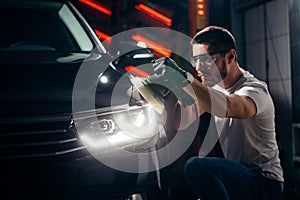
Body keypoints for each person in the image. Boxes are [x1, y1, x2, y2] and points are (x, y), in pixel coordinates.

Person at [146, 26, 284, 200]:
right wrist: (168, 93)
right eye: (196, 60)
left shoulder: (254, 90)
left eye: (206, 60)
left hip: (264, 184)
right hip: (237, 179)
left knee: (196, 166)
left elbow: (229, 106)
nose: (198, 68)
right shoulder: (214, 90)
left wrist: (184, 80)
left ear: (231, 56)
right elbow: (181, 121)